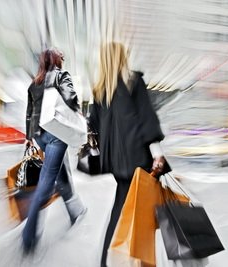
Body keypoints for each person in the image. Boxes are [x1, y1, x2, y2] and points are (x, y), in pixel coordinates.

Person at [88, 42, 170, 267]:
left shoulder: (100, 90)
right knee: (144, 208)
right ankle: (139, 260)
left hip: (116, 163)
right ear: (123, 57)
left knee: (123, 205)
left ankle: (108, 258)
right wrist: (157, 153)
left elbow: (93, 126)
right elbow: (147, 119)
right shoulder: (133, 81)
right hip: (139, 160)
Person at [23, 47, 87, 253]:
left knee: (61, 172)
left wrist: (28, 138)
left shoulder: (34, 83)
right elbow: (71, 98)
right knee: (47, 182)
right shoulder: (61, 76)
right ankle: (29, 236)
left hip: (40, 136)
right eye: (61, 56)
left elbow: (29, 113)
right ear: (56, 60)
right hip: (57, 134)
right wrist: (77, 113)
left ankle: (75, 211)